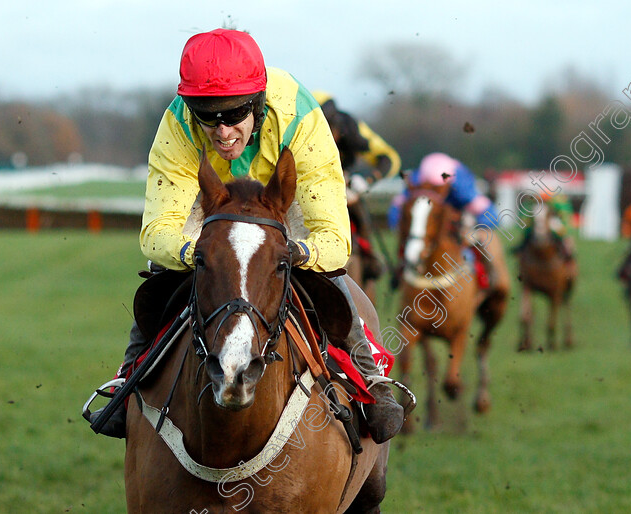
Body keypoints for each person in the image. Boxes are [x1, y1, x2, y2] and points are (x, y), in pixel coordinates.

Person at [88, 29, 403, 443]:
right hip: (212, 205)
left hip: (282, 202)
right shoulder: (178, 123)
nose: (222, 132)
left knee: (328, 268)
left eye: (234, 114)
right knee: (163, 266)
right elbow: (156, 234)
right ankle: (129, 374)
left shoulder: (301, 117)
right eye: (208, 116)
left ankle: (367, 375)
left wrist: (293, 251)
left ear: (257, 103)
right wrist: (200, 251)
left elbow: (334, 241)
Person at [387, 152, 511, 296]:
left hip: (460, 222)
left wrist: (474, 231)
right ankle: (400, 275)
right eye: (430, 186)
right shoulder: (417, 180)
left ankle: (490, 278)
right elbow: (396, 211)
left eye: (437, 187)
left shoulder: (462, 186)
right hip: (431, 226)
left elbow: (491, 216)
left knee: (480, 242)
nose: (433, 191)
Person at [312, 90, 402, 286]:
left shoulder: (351, 127)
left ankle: (369, 258)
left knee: (355, 203)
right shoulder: (291, 127)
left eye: (329, 130)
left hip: (344, 186)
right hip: (306, 186)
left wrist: (366, 180)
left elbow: (389, 158)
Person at [512, 189, 576, 261]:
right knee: (528, 232)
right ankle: (522, 247)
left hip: (552, 220)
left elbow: (563, 215)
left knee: (560, 232)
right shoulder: (532, 203)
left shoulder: (556, 202)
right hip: (535, 221)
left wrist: (562, 226)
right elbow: (525, 215)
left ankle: (565, 250)